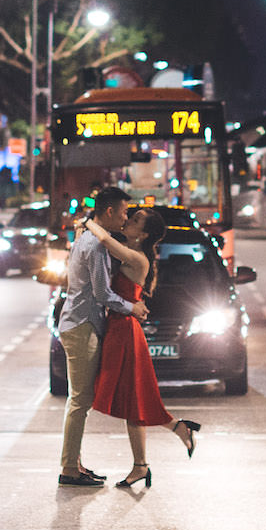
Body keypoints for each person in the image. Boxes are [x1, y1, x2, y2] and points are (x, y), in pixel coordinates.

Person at [85, 206, 202, 488]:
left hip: (124, 330)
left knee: (132, 399)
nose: (129, 221)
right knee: (132, 400)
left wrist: (89, 222)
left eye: (135, 221)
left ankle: (150, 456)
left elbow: (104, 240)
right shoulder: (134, 254)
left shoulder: (138, 258)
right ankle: (150, 455)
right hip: (119, 328)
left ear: (145, 234)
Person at [56, 188, 147, 486]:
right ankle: (69, 469)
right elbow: (102, 294)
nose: (125, 218)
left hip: (81, 324)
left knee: (80, 400)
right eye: (123, 212)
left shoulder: (90, 238)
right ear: (109, 212)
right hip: (81, 325)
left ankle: (75, 464)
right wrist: (131, 307)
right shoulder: (95, 245)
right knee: (80, 401)